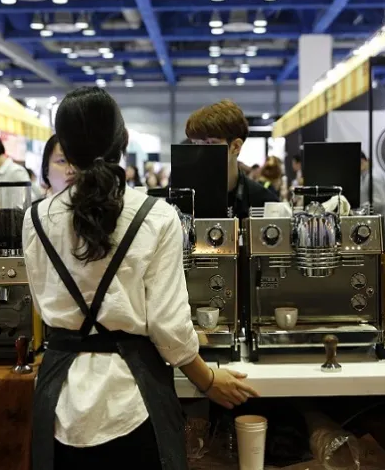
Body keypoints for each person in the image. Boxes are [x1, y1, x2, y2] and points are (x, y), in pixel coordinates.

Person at [23, 87, 257, 469]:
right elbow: (169, 327)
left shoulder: (35, 218)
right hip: (134, 395)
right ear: (124, 140)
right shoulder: (156, 215)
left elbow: (42, 304)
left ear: (64, 145)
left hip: (58, 396)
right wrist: (209, 380)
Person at [185, 99, 279, 218]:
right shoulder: (182, 200)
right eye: (195, 144)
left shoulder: (264, 202)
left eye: (210, 143)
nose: (201, 152)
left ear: (236, 147)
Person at [360, 151, 385, 222]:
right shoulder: (364, 177)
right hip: (372, 221)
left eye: (361, 162)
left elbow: (379, 202)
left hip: (378, 222)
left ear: (366, 161)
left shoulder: (373, 177)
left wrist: (360, 209)